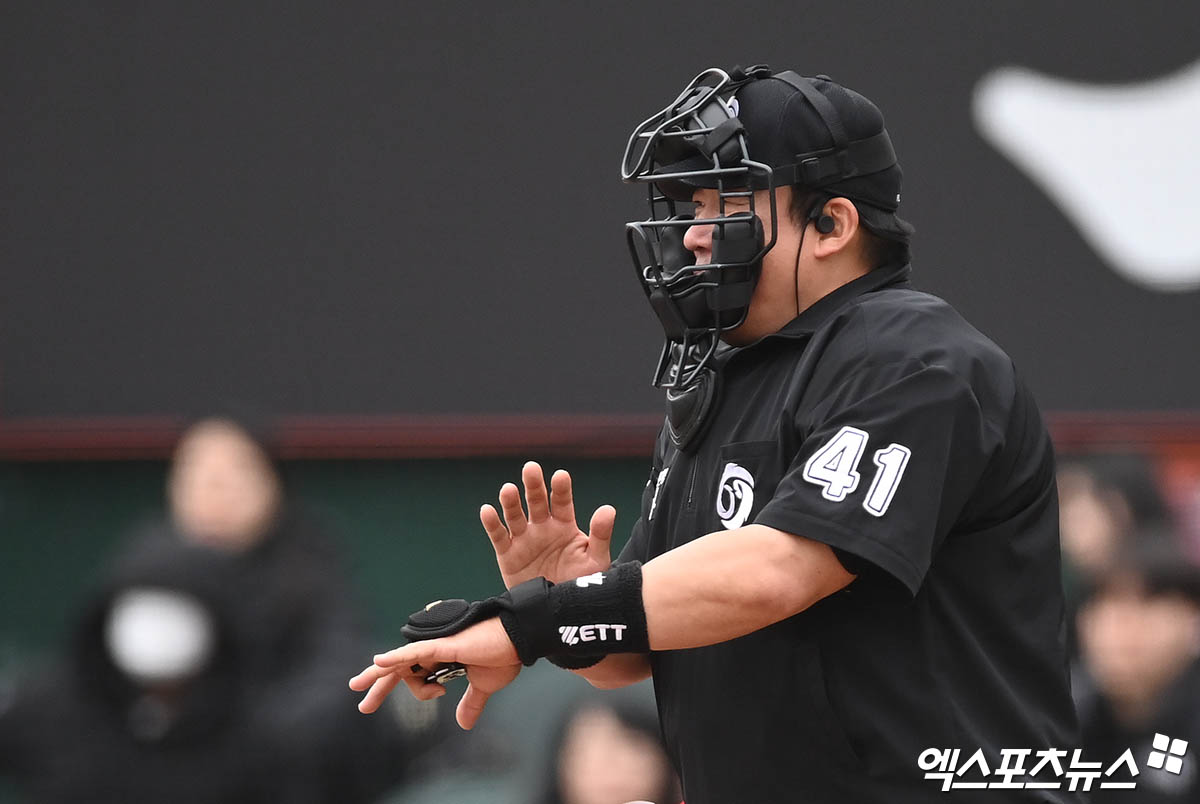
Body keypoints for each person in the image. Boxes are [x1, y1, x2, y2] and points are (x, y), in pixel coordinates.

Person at [352, 65, 1080, 802]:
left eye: (723, 204)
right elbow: (632, 651)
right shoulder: (726, 377)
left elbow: (778, 572)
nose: (695, 235)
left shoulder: (917, 359)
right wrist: (571, 593)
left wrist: (537, 621)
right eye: (690, 206)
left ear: (832, 224)